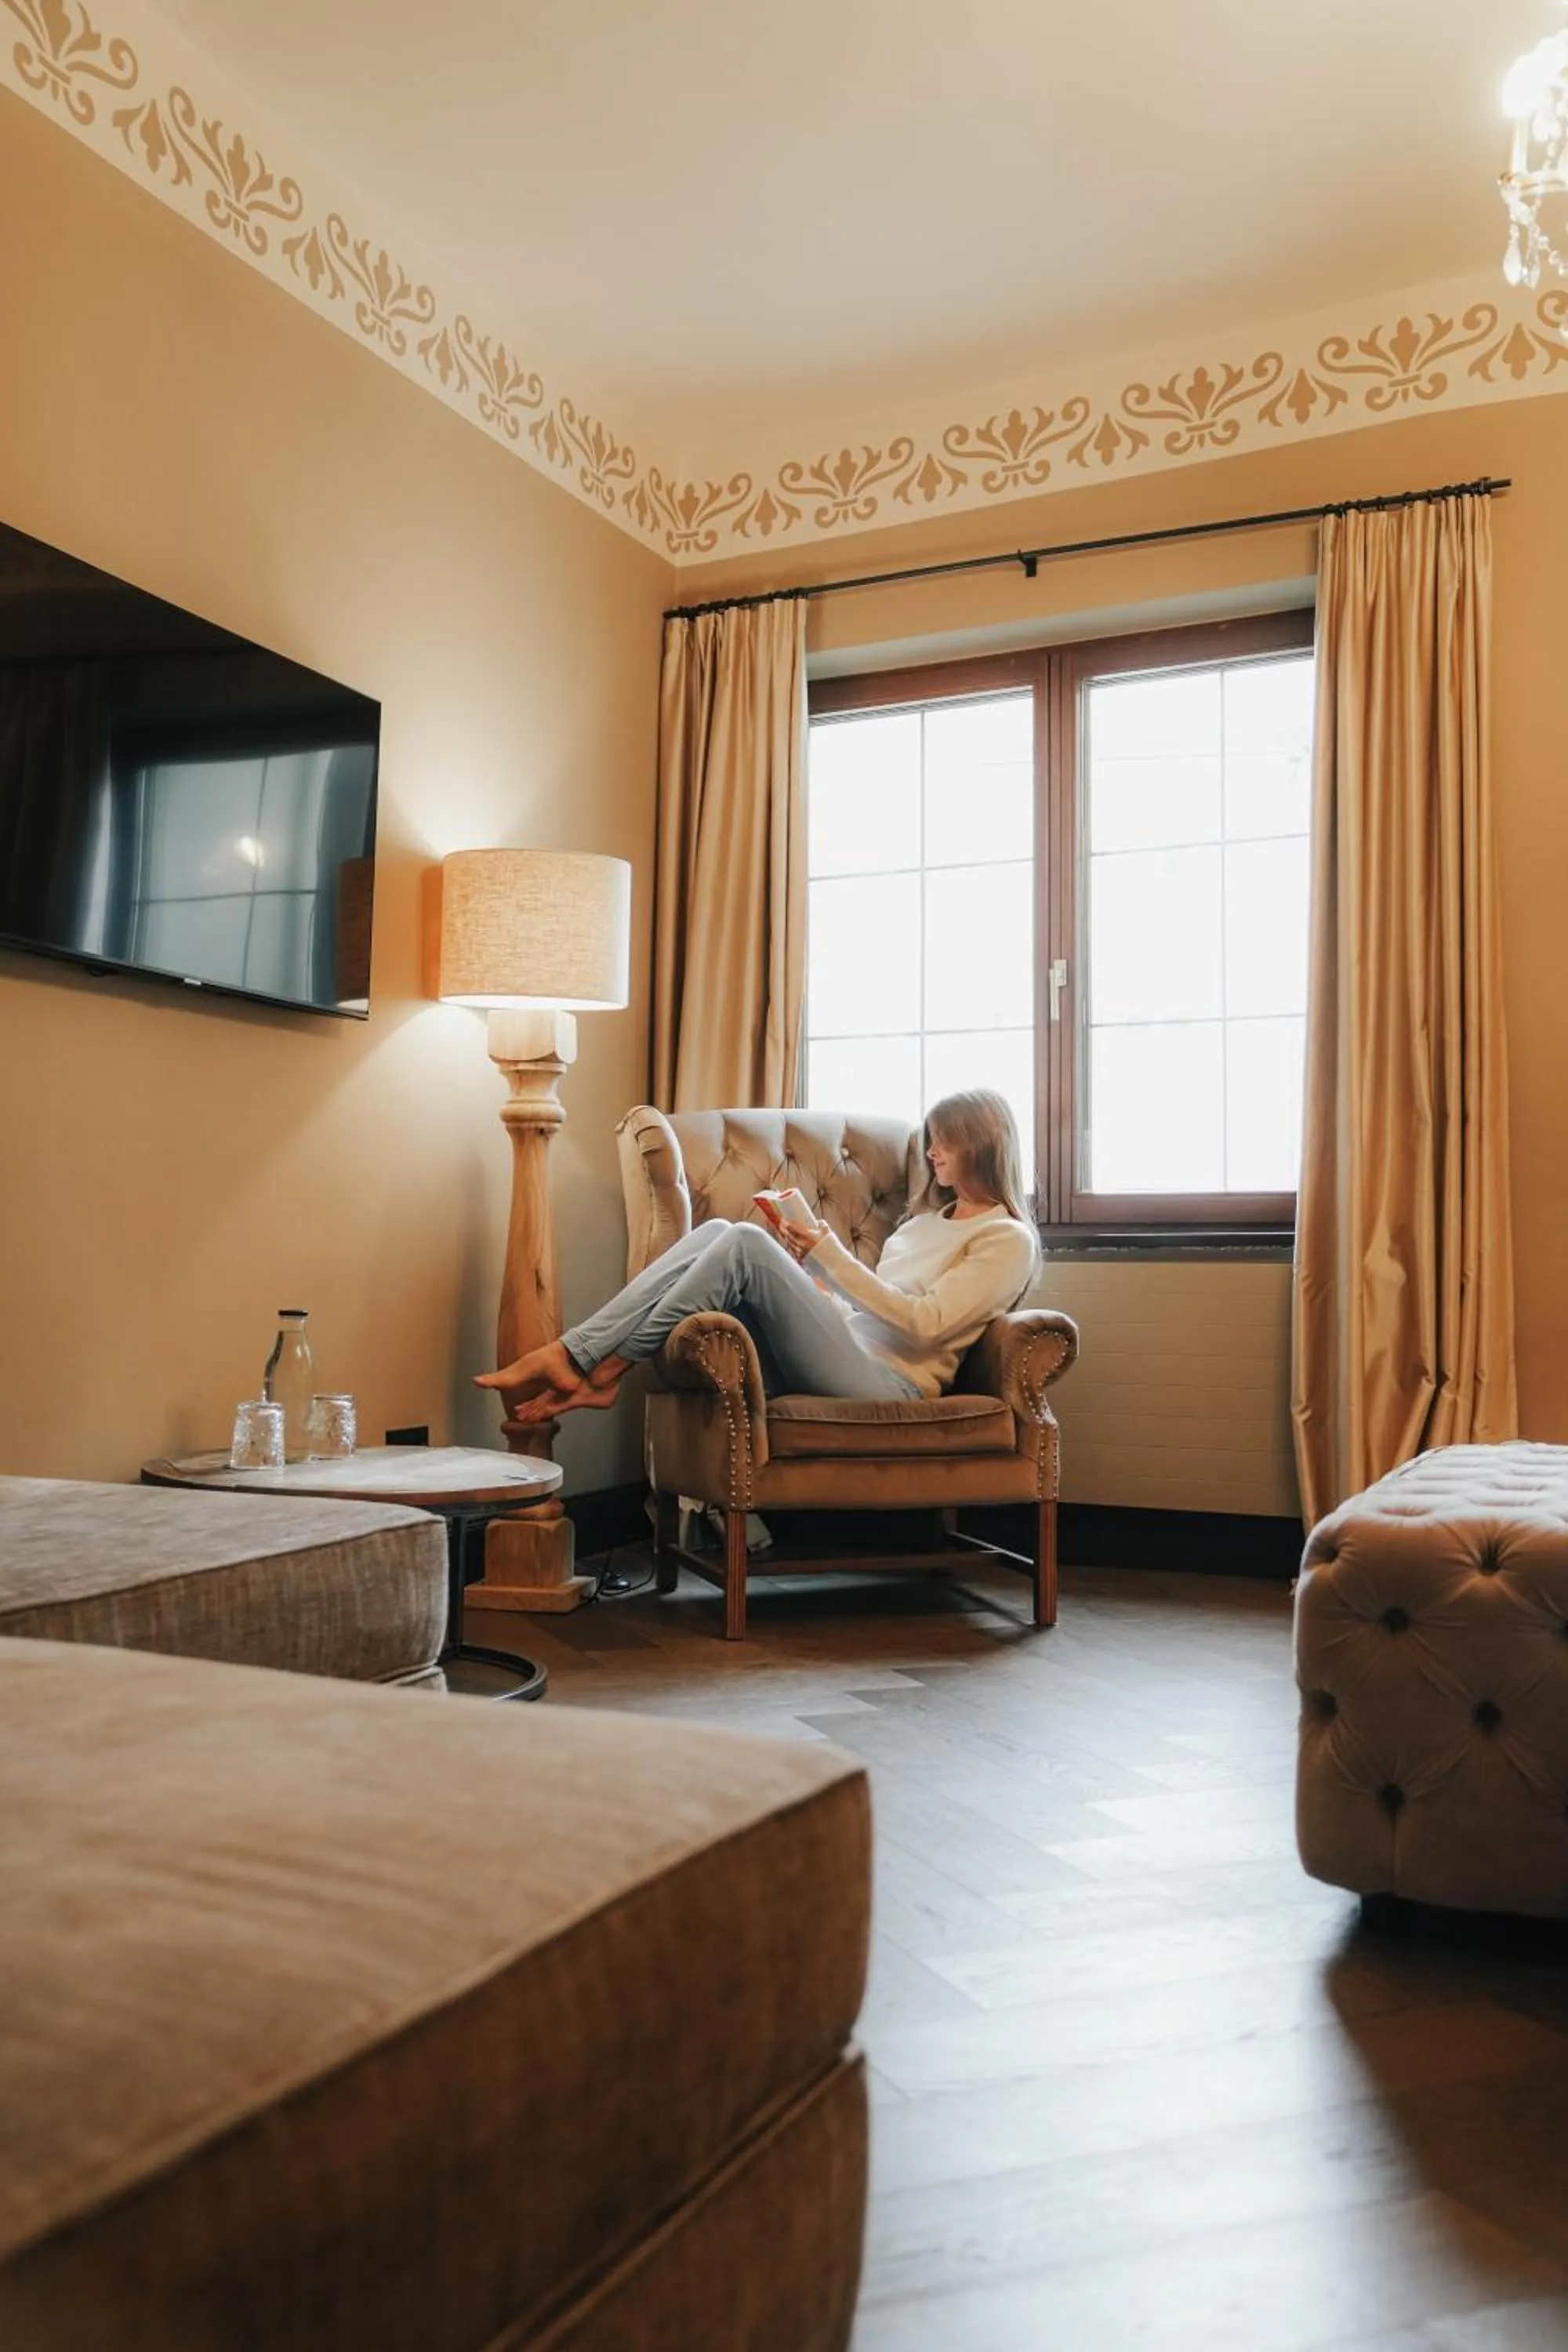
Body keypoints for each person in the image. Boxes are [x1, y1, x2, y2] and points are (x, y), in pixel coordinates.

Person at [475, 1090, 1040, 1424]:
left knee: (744, 1244)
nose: (934, 1152)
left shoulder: (1006, 1239)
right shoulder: (924, 1222)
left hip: (892, 1384)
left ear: (983, 1147)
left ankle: (598, 1365)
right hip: (849, 1350)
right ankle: (583, 1358)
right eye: (933, 1139)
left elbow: (926, 1325)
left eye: (947, 1142)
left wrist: (831, 1255)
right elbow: (872, 1308)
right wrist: (816, 1277)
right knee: (720, 1229)